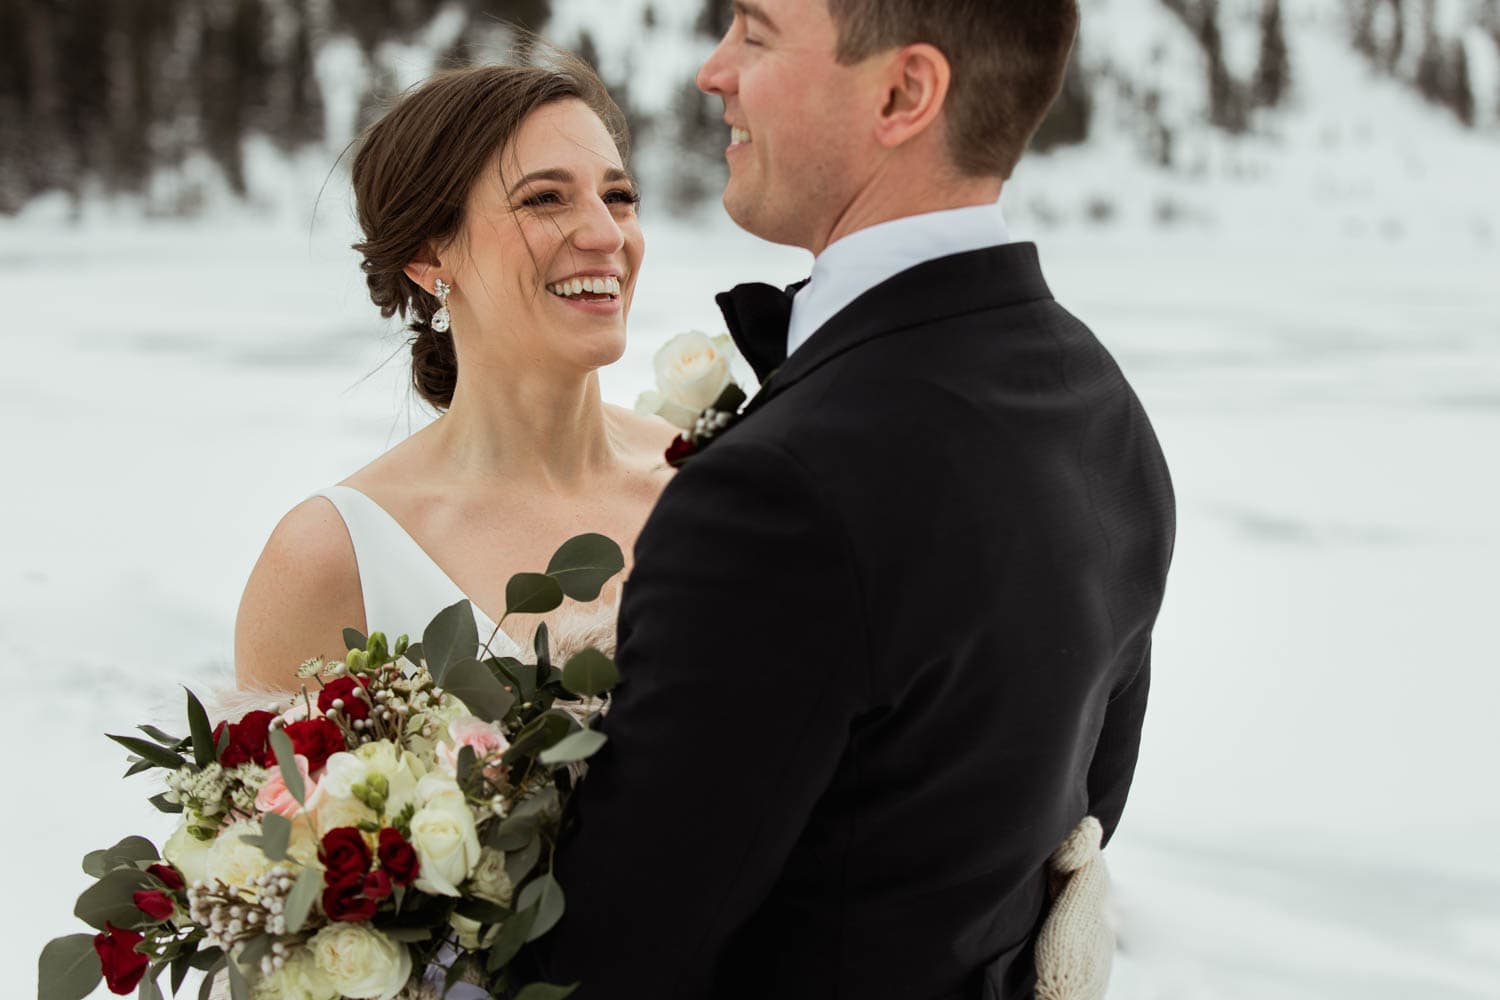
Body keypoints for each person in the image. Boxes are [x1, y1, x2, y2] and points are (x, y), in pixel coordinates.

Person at [542, 1, 1175, 998]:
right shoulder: (1098, 404)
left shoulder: (781, 492)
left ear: (903, 93)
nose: (714, 73)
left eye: (754, 34)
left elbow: (615, 956)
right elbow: (1075, 828)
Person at [234, 58, 676, 690]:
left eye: (619, 197)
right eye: (545, 199)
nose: (607, 234)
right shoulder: (336, 557)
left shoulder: (704, 477)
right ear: (429, 253)